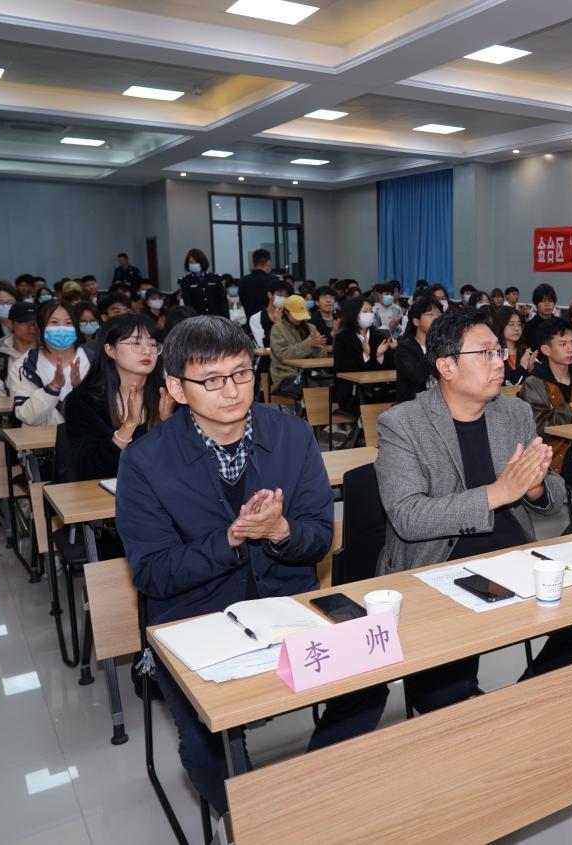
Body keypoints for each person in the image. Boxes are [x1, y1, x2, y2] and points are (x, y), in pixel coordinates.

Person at [116, 316, 388, 816]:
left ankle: (307, 797)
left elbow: (318, 537)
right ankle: (257, 821)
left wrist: (279, 531)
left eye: (241, 373)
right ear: (176, 387)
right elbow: (153, 572)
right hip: (195, 618)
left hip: (286, 606)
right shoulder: (145, 462)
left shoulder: (292, 436)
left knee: (368, 688)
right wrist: (231, 538)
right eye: (212, 379)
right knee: (209, 748)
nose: (231, 390)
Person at [374, 307, 572, 713]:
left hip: (511, 559)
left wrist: (535, 486)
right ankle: (493, 714)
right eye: (486, 353)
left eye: (499, 352)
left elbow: (553, 494)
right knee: (443, 698)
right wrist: (496, 493)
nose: (500, 362)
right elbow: (408, 516)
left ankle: (521, 701)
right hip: (439, 566)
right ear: (447, 366)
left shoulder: (513, 412)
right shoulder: (402, 423)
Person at [64, 314, 173, 481]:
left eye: (153, 344)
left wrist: (168, 424)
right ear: (111, 350)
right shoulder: (83, 401)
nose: (147, 351)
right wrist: (129, 425)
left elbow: (187, 460)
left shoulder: (170, 395)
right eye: (136, 343)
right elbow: (90, 470)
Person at [518, 318, 572, 496]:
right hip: (556, 454)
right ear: (546, 350)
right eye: (563, 344)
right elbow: (541, 429)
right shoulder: (534, 383)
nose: (571, 349)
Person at [8, 300, 95, 426]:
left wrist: (81, 390)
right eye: (54, 322)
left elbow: (107, 412)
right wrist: (53, 388)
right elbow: (26, 416)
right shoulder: (25, 365)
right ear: (39, 327)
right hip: (41, 438)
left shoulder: (94, 361)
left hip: (87, 437)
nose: (61, 328)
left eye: (68, 323)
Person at [333, 296, 392, 414]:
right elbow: (342, 368)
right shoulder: (342, 338)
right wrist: (365, 355)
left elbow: (391, 367)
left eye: (371, 311)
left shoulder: (380, 337)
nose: (369, 314)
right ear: (353, 314)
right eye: (365, 311)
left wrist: (380, 356)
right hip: (352, 392)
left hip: (379, 389)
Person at [268, 294, 328, 395]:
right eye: (296, 315)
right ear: (286, 312)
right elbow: (283, 355)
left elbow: (323, 357)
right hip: (287, 375)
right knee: (313, 388)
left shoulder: (310, 327)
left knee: (331, 386)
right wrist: (308, 344)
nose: (299, 319)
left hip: (312, 372)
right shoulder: (277, 329)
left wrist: (317, 347)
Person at [0, 302, 37, 399]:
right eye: (24, 322)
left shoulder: (52, 356)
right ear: (10, 324)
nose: (31, 327)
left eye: (36, 323)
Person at [394, 296, 439, 403]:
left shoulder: (444, 345)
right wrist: (433, 348)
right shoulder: (405, 349)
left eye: (439, 314)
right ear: (416, 321)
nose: (437, 318)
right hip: (413, 406)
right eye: (430, 314)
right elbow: (418, 376)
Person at [492, 306, 536, 386]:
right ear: (501, 326)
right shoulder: (494, 353)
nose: (517, 328)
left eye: (519, 325)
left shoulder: (525, 351)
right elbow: (508, 384)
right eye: (511, 324)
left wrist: (530, 369)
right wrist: (523, 367)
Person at [177, 249, 226, 316]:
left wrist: (226, 319)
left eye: (196, 262)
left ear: (202, 262)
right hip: (197, 319)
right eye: (191, 262)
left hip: (216, 318)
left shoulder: (215, 278)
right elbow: (188, 305)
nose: (194, 264)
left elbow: (223, 302)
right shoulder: (186, 281)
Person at [249, 280, 291, 348]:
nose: (283, 298)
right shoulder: (256, 318)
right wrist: (276, 325)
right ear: (270, 294)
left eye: (286, 296)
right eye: (280, 295)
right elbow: (261, 345)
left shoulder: (290, 316)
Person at [520, 283, 559, 349]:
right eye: (543, 301)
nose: (547, 304)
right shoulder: (530, 327)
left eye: (550, 301)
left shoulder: (560, 324)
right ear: (536, 304)